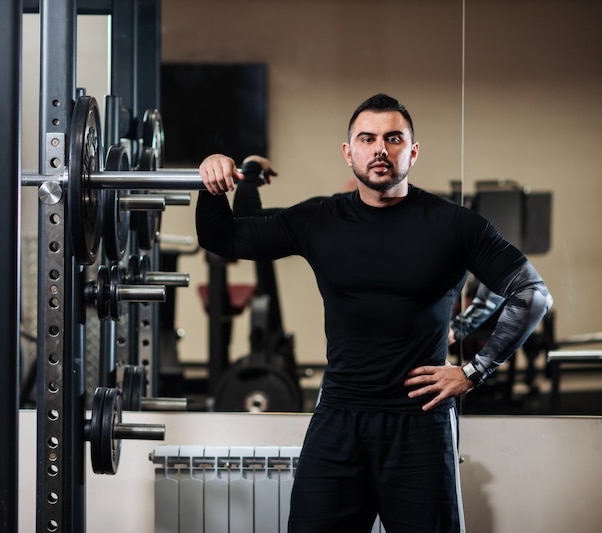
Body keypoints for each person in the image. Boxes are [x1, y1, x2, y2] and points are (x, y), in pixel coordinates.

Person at [196, 93, 553, 532]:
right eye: (367, 138)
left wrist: (473, 371)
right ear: (349, 153)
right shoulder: (319, 219)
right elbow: (227, 238)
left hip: (420, 422)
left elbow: (531, 293)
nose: (380, 148)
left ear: (413, 151)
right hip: (341, 416)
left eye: (393, 138)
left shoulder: (455, 225)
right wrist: (213, 178)